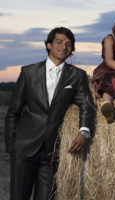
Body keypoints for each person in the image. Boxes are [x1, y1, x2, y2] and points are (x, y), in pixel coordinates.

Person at [5, 27, 95, 200]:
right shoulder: (28, 72)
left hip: (53, 151)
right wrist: (12, 145)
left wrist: (84, 131)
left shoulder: (77, 76)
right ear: (49, 45)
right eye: (59, 42)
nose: (64, 47)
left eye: (69, 44)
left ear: (72, 50)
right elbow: (13, 112)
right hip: (23, 149)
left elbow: (86, 105)